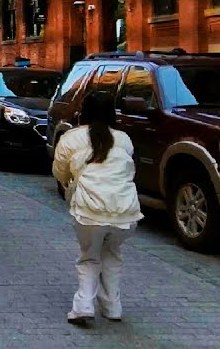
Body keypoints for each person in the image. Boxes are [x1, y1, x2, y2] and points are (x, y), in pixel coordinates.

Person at [52, 93, 143, 325]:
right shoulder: (123, 139)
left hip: (89, 210)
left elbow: (60, 171)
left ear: (84, 112)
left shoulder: (71, 138)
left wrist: (68, 185)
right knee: (112, 254)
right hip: (126, 211)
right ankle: (113, 307)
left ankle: (83, 306)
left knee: (89, 257)